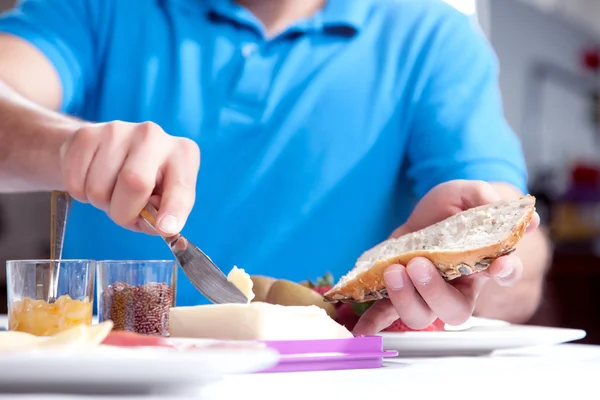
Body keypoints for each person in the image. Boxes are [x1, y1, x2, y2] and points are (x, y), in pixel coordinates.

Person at [0, 0, 550, 333]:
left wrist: (474, 267)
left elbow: (513, 240)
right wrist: (66, 146)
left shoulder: (435, 39)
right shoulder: (102, 8)